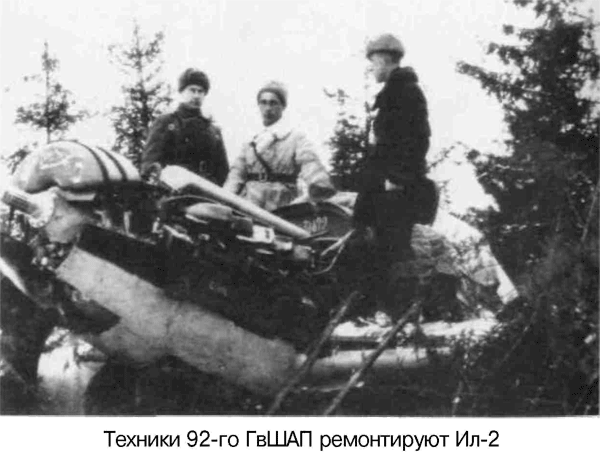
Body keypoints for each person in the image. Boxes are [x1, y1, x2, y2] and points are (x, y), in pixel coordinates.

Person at [353, 33, 437, 315]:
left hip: (396, 188)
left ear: (385, 60)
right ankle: (385, 311)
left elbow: (418, 139)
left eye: (373, 61)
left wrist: (397, 178)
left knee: (395, 249)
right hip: (384, 185)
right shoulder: (394, 92)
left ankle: (401, 312)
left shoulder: (406, 92)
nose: (371, 68)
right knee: (380, 247)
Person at [224, 81, 335, 211]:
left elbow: (309, 162)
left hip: (281, 202)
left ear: (283, 106)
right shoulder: (251, 141)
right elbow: (237, 174)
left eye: (273, 103)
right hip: (250, 202)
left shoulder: (295, 137)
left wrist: (318, 184)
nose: (268, 108)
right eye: (263, 102)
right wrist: (224, 198)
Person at [140, 68, 229, 185]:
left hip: (206, 190)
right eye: (192, 90)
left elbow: (223, 171)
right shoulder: (167, 123)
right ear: (182, 91)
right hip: (173, 188)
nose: (196, 96)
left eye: (201, 91)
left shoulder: (213, 131)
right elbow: (151, 162)